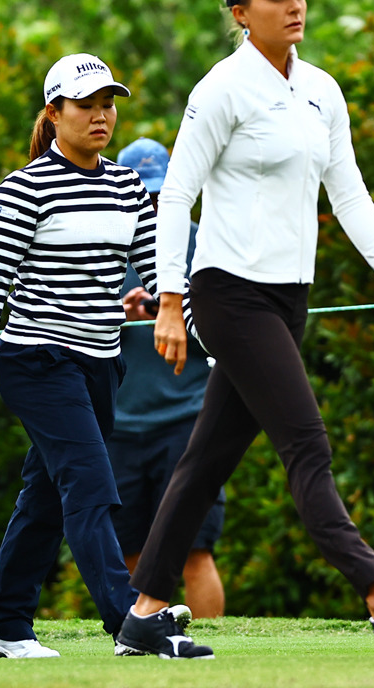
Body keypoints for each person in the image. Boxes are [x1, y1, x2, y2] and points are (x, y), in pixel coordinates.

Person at [118, 0, 374, 658]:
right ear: (241, 13)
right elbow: (177, 194)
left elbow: (349, 190)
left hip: (287, 298)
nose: (294, 4)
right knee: (305, 441)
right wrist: (172, 299)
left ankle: (143, 610)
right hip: (227, 294)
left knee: (205, 462)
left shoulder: (322, 90)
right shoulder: (220, 90)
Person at [0, 53, 213, 660]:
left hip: (101, 363)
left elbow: (159, 272)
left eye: (108, 105)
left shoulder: (127, 184)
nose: (101, 117)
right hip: (36, 359)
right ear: (54, 113)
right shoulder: (24, 188)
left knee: (47, 494)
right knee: (91, 485)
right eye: (86, 105)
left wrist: (203, 330)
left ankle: (3, 623)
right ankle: (128, 619)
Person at [109, 138, 225, 618]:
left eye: (160, 193)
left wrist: (173, 310)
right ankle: (142, 646)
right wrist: (121, 313)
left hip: (186, 418)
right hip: (117, 425)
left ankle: (212, 660)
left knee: (194, 551)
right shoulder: (103, 242)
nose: (154, 204)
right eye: (144, 193)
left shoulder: (202, 240)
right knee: (132, 556)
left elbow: (226, 328)